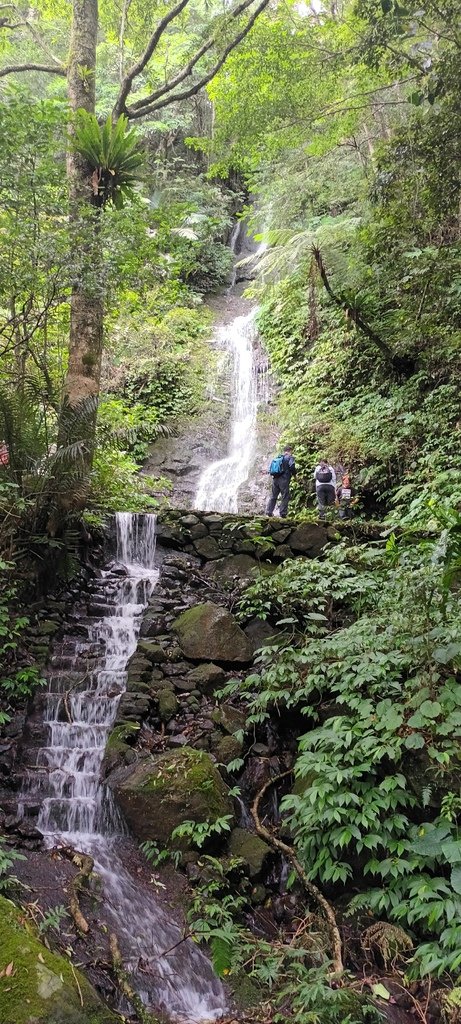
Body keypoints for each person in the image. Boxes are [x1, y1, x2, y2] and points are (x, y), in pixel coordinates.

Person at [266, 445, 296, 518]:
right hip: (284, 480)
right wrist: (294, 475)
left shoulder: (278, 457)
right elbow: (292, 466)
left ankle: (269, 511)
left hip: (275, 479)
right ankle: (283, 513)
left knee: (273, 496)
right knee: (285, 496)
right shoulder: (289, 457)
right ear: (290, 451)